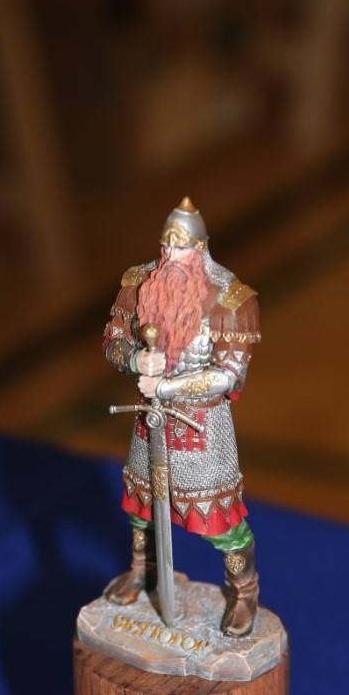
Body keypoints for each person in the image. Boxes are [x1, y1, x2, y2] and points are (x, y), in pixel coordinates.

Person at [102, 197, 260, 636]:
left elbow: (230, 375)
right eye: (166, 245)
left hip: (201, 426)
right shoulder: (139, 283)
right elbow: (113, 338)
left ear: (201, 248)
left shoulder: (231, 299)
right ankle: (143, 570)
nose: (171, 255)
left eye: (182, 247)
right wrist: (135, 359)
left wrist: (167, 388)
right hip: (149, 421)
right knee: (141, 507)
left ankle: (244, 591)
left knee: (220, 520)